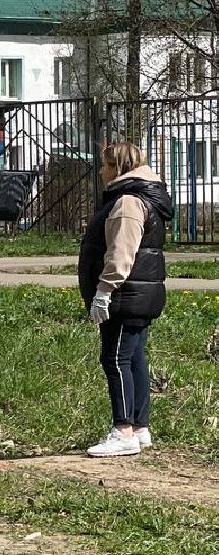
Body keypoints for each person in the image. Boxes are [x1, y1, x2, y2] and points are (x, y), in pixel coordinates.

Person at [79, 141, 173, 458]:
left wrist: (103, 291)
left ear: (117, 167)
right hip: (140, 293)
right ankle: (140, 427)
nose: (101, 172)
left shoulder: (128, 202)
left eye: (104, 166)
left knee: (115, 359)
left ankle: (123, 431)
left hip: (125, 294)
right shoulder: (144, 198)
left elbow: (122, 253)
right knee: (133, 358)